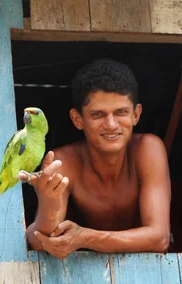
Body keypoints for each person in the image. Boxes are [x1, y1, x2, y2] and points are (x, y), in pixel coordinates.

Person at [21, 58, 171, 259]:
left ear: (136, 114)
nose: (110, 124)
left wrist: (85, 237)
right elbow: (38, 240)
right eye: (98, 115)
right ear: (78, 119)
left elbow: (159, 238)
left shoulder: (147, 149)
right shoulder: (63, 162)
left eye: (121, 112)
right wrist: (48, 204)